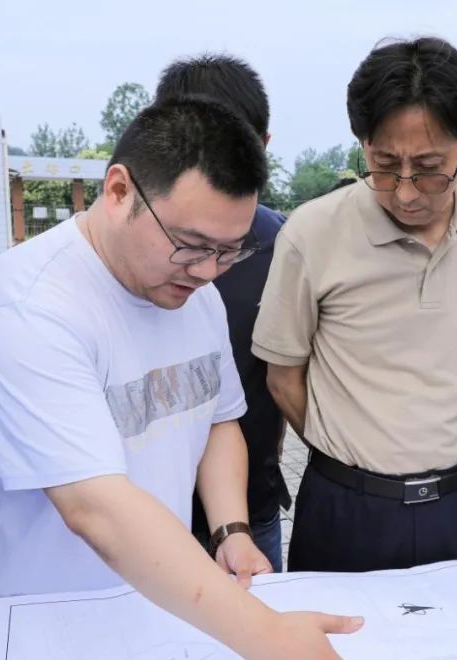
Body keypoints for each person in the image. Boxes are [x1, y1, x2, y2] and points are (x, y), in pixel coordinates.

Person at [0, 97, 371, 660]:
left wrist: (232, 531)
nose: (208, 271)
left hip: (152, 616)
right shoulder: (28, 306)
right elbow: (94, 507)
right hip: (22, 642)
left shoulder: (194, 296)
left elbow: (217, 419)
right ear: (119, 190)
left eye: (230, 250)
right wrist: (265, 636)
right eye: (190, 244)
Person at [252, 37, 457, 573]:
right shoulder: (313, 232)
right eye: (383, 165)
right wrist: (356, 453)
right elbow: (283, 377)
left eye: (428, 167)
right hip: (345, 510)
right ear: (363, 143)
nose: (405, 192)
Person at [155, 54, 291, 573]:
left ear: (263, 147)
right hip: (145, 520)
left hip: (248, 510)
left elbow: (286, 373)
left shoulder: (286, 246)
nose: (206, 269)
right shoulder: (121, 258)